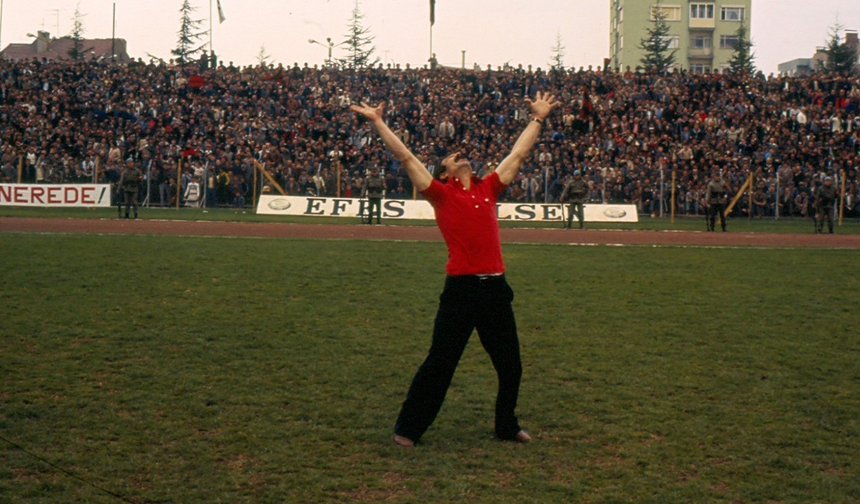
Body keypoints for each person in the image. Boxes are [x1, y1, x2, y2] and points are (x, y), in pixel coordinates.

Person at [350, 91, 559, 447]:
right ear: (444, 172)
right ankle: (408, 429)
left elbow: (519, 153)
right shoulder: (441, 195)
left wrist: (537, 119)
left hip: (495, 290)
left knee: (511, 366)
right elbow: (404, 155)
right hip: (461, 291)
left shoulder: (488, 188)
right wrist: (379, 122)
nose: (461, 156)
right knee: (440, 364)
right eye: (453, 157)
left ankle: (505, 426)